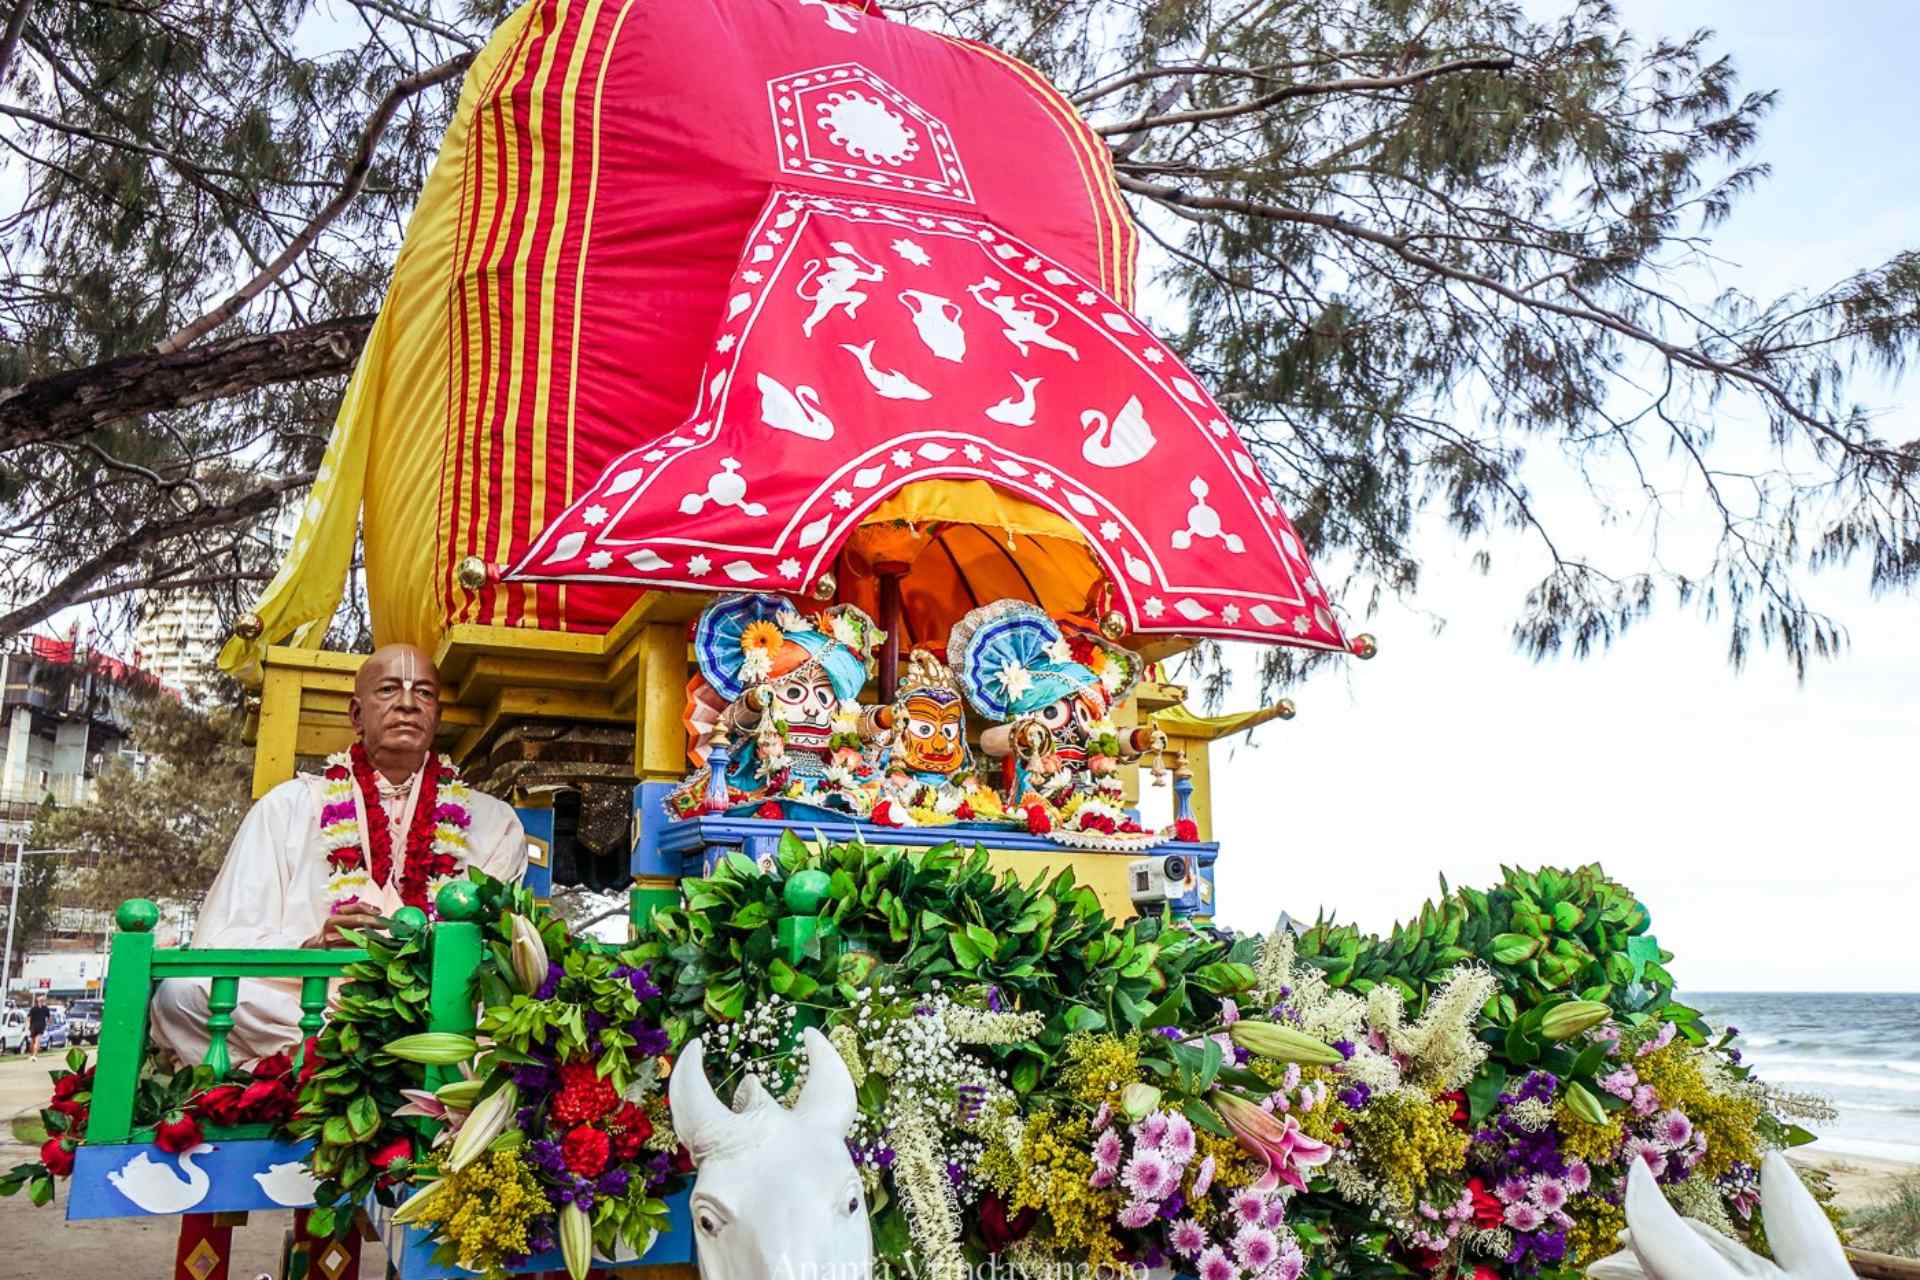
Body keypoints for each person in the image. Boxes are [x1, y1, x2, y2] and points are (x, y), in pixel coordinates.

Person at [150, 644, 528, 1066]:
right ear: (356, 715)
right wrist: (312, 946)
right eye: (388, 690)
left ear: (436, 717)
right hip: (310, 1003)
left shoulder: (494, 821)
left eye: (423, 693)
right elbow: (226, 941)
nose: (407, 703)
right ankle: (371, 1052)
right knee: (181, 996)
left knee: (497, 1021)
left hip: (433, 1010)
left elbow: (495, 949)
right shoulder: (288, 806)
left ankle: (347, 1055)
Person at [27, 996, 48, 1060]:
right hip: (41, 1026)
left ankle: (31, 1054)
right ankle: (34, 1055)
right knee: (37, 1041)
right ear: (43, 1001)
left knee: (33, 1041)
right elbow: (49, 1019)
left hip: (33, 1026)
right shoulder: (46, 1009)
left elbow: (29, 1018)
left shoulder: (33, 1008)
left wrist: (29, 1025)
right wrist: (46, 1024)